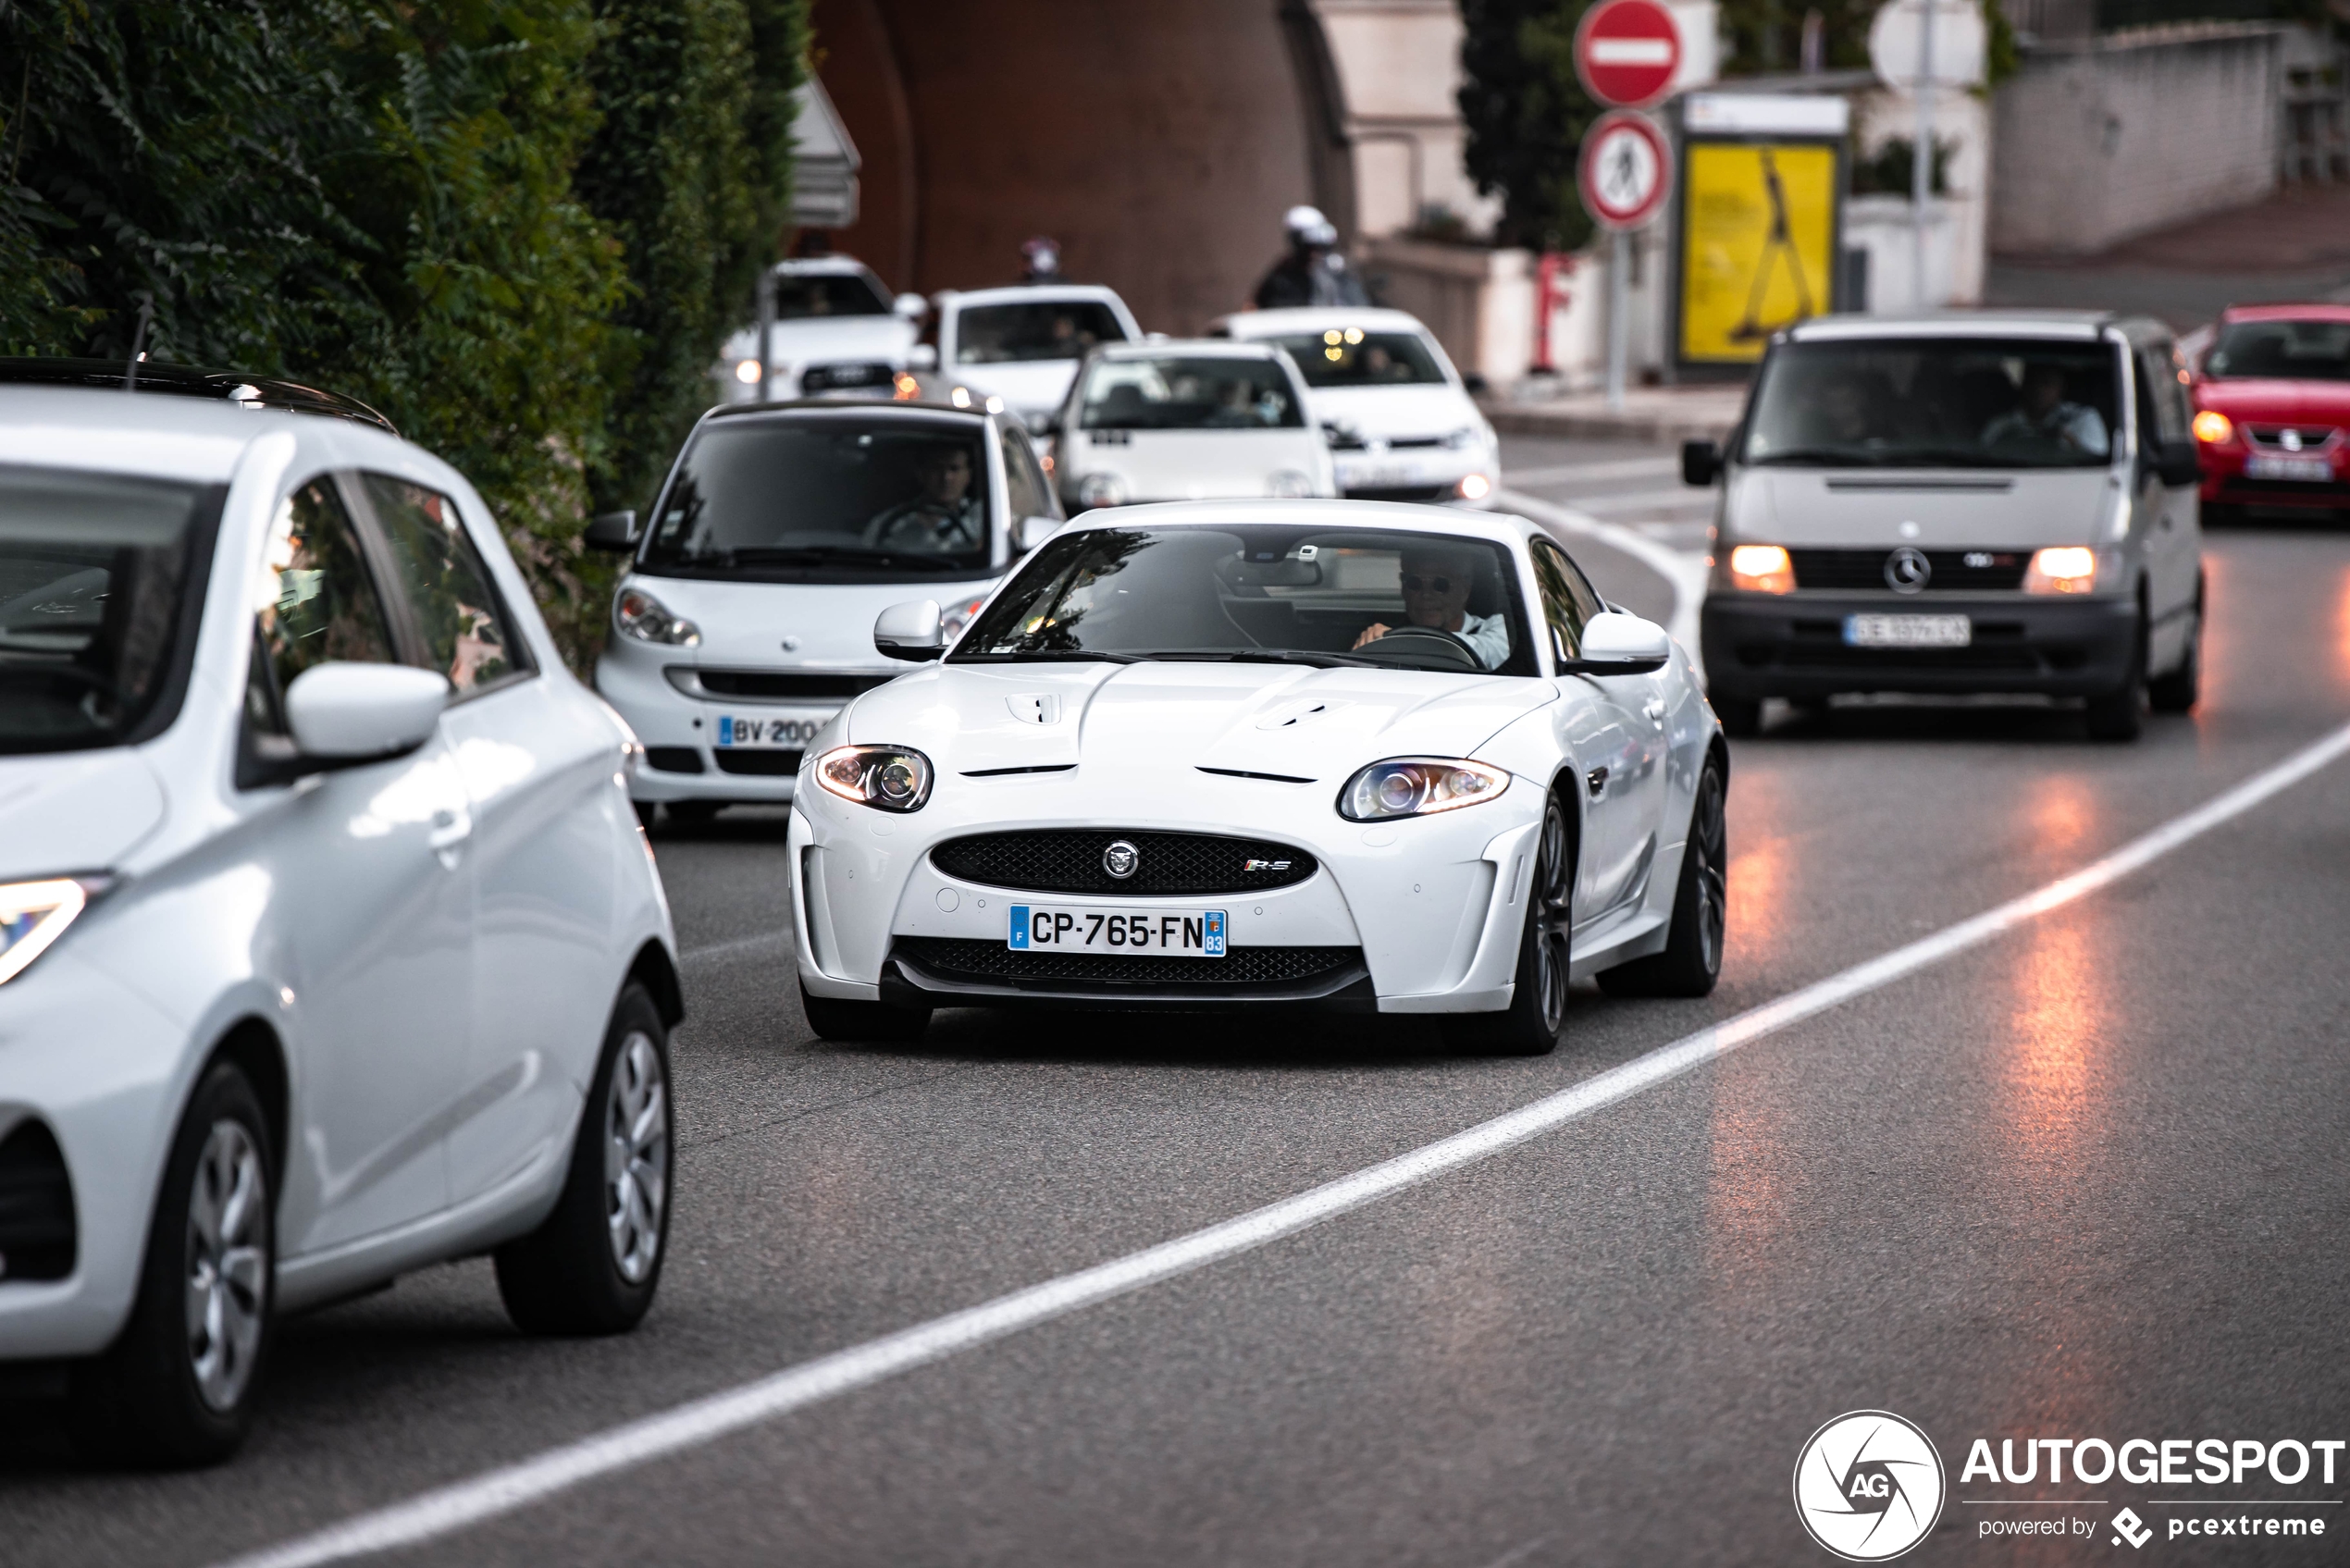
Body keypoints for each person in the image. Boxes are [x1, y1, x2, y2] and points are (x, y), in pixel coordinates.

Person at [1352, 546, 1509, 669]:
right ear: (1403, 588)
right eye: (1415, 583)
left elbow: (1489, 652)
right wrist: (1374, 644)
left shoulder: (1497, 628)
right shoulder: (1383, 637)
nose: (1426, 594)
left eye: (1440, 584)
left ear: (1465, 590)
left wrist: (1397, 642)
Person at [863, 445, 983, 552]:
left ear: (968, 476)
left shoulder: (985, 519)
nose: (946, 478)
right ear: (921, 474)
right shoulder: (888, 524)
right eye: (937, 468)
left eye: (954, 468)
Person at [1982, 362, 2109, 457]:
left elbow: (2099, 464)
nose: (2039, 390)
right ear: (2024, 385)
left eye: (2047, 383)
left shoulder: (2082, 419)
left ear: (2061, 388)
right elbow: (1984, 457)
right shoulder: (2001, 425)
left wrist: (2071, 442)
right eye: (2033, 381)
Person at [1253, 206, 1368, 310]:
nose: (1316, 255)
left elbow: (1358, 302)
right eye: (1311, 249)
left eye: (1322, 248)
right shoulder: (1283, 277)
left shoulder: (1338, 271)